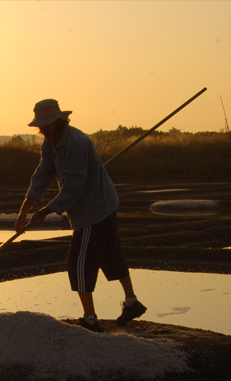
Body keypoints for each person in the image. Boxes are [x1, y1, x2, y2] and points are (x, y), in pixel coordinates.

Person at [15, 98, 146, 332]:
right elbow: (43, 174)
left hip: (94, 209)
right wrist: (25, 209)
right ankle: (132, 302)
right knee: (110, 253)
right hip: (100, 205)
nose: (42, 129)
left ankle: (90, 318)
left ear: (59, 121)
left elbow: (73, 188)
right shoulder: (50, 142)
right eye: (40, 126)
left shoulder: (76, 142)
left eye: (46, 125)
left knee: (79, 261)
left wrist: (45, 211)